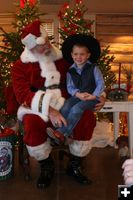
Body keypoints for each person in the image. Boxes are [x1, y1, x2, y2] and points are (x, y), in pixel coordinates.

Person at [11, 19, 106, 189]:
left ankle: (74, 164)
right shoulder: (20, 66)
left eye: (47, 42)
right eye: (42, 46)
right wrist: (50, 109)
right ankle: (46, 165)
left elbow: (86, 76)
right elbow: (22, 94)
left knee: (85, 117)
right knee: (32, 124)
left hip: (66, 101)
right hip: (36, 107)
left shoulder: (62, 59)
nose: (47, 47)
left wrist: (101, 96)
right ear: (31, 47)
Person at [47, 34, 105, 144]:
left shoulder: (93, 68)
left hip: (92, 97)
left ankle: (63, 133)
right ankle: (60, 130)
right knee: (66, 105)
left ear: (88, 55)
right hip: (78, 96)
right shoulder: (71, 70)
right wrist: (77, 94)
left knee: (77, 109)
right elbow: (70, 87)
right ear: (72, 55)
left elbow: (101, 83)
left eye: (82, 54)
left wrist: (94, 95)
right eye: (76, 54)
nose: (79, 57)